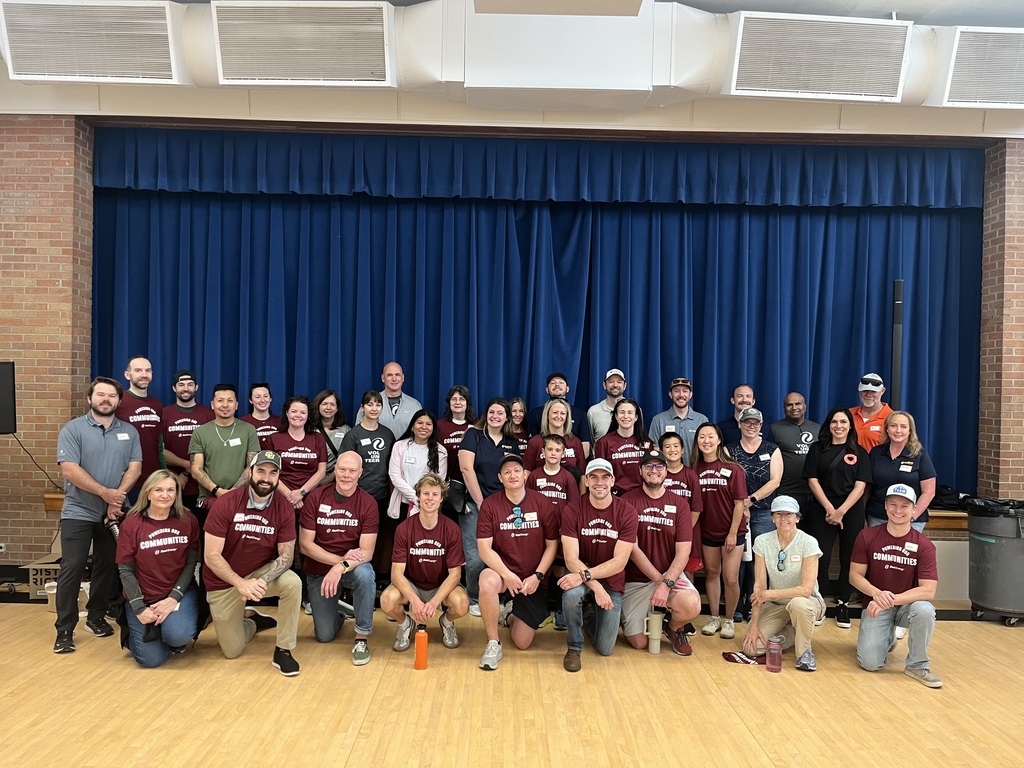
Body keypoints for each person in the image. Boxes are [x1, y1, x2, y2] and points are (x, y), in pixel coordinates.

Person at [53, 377, 142, 654]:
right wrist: (106, 493)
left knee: (108, 566)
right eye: (101, 395)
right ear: (89, 399)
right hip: (78, 513)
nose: (106, 399)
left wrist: (117, 498)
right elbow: (69, 470)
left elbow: (135, 467)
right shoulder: (73, 429)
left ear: (118, 400)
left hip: (114, 514)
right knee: (73, 567)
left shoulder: (129, 431)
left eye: (112, 396)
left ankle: (96, 617)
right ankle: (65, 630)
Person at [203, 450, 302, 676]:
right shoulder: (227, 502)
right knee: (232, 650)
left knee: (292, 583)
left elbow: (286, 556)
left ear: (279, 477)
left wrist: (258, 583)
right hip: (224, 581)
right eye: (261, 471)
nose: (266, 478)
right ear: (250, 472)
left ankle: (284, 649)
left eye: (272, 473)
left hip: (258, 573)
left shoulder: (284, 507)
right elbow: (211, 555)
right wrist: (240, 584)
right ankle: (253, 622)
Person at [850, 484, 942, 688]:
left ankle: (917, 665)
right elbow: (854, 576)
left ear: (914, 509)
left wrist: (890, 600)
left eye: (904, 506)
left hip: (906, 605)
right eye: (893, 504)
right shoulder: (867, 536)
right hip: (876, 603)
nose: (898, 511)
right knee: (870, 663)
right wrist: (876, 594)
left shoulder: (924, 546)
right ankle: (887, 637)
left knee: (925, 609)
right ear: (885, 506)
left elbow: (929, 590)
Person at [476, 454, 559, 670]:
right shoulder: (490, 505)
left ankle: (510, 614)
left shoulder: (542, 503)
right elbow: (484, 549)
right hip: (503, 574)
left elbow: (552, 545)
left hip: (533, 578)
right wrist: (506, 574)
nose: (512, 475)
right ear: (500, 477)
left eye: (516, 471)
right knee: (486, 582)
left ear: (525, 475)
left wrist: (538, 575)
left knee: (523, 643)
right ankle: (493, 642)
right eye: (506, 472)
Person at [557, 458, 638, 672]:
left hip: (610, 577)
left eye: (604, 477)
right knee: (572, 594)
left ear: (612, 481)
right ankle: (574, 646)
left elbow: (620, 562)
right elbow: (571, 559)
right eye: (593, 477)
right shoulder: (572, 510)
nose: (599, 482)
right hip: (579, 571)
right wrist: (596, 585)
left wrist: (591, 579)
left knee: (605, 648)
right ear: (586, 480)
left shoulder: (627, 512)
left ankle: (589, 614)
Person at [300, 451, 378, 665]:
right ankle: (339, 612)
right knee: (324, 636)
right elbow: (306, 545)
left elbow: (367, 552)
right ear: (335, 470)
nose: (346, 475)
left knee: (365, 573)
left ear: (360, 473)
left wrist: (340, 567)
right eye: (342, 469)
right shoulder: (316, 498)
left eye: (352, 471)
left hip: (351, 568)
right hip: (319, 570)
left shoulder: (368, 503)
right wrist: (337, 562)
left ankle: (361, 636)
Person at [116, 469, 200, 667]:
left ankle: (170, 632)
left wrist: (174, 597)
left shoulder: (188, 520)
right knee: (151, 660)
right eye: (159, 490)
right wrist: (139, 607)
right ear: (148, 493)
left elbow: (190, 563)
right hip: (143, 596)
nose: (165, 495)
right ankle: (138, 633)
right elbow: (125, 570)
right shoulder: (132, 524)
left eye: (171, 490)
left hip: (176, 593)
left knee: (178, 637)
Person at [622, 449, 701, 656]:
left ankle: (672, 627)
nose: (653, 470)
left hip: (669, 576)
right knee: (639, 643)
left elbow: (683, 552)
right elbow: (632, 548)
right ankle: (642, 614)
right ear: (640, 470)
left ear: (666, 472)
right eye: (648, 466)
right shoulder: (627, 501)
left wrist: (667, 583)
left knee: (691, 604)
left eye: (659, 466)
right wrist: (660, 582)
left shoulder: (680, 504)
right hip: (636, 580)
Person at [381, 473, 469, 653]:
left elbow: (455, 574)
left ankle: (446, 622)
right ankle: (405, 624)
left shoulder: (451, 529)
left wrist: (433, 602)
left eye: (435, 494)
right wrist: (415, 600)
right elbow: (396, 574)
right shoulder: (404, 529)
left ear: (441, 498)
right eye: (426, 494)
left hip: (440, 587)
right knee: (387, 600)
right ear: (418, 497)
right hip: (412, 585)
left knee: (461, 604)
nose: (430, 498)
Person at [802, 406, 871, 629]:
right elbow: (812, 480)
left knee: (849, 559)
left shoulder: (860, 452)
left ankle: (842, 603)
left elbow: (861, 486)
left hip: (851, 510)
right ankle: (819, 603)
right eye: (834, 422)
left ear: (850, 425)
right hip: (823, 507)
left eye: (843, 422)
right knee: (820, 557)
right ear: (828, 425)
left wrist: (841, 511)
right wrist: (830, 508)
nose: (838, 426)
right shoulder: (817, 449)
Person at [741, 496, 825, 672]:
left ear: (797, 518)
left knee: (798, 604)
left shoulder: (808, 542)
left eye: (788, 514)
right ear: (772, 518)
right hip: (776, 604)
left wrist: (768, 594)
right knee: (751, 647)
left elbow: (805, 590)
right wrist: (754, 624)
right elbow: (759, 587)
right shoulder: (762, 541)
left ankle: (804, 652)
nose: (783, 518)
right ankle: (792, 632)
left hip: (807, 602)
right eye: (778, 514)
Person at [459, 397, 520, 615]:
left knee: (502, 553)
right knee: (475, 556)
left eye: (500, 413)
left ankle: (499, 595)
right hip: (475, 505)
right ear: (486, 414)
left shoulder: (511, 442)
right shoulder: (473, 435)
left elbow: (514, 475)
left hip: (503, 507)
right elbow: (466, 469)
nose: (496, 416)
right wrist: (481, 502)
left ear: (507, 417)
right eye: (492, 412)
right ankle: (475, 598)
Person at [692, 422, 747, 640]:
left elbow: (739, 504)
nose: (706, 441)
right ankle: (714, 616)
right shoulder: (694, 468)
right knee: (712, 574)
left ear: (718, 440)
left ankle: (729, 619)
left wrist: (732, 533)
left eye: (710, 437)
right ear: (697, 441)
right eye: (702, 437)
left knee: (731, 579)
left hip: (732, 532)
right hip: (707, 532)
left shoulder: (733, 469)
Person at [341, 390, 397, 583]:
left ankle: (373, 579)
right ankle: (350, 579)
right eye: (370, 404)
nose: (374, 408)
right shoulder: (353, 435)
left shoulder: (387, 434)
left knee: (377, 540)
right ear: (362, 408)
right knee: (353, 539)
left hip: (381, 497)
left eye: (378, 405)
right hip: (357, 497)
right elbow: (345, 467)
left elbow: (392, 468)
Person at [659, 431, 703, 636]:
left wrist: (684, 532)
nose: (672, 450)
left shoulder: (690, 475)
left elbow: (696, 508)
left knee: (687, 570)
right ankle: (662, 611)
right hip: (660, 532)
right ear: (661, 450)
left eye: (676, 446)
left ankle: (684, 616)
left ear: (683, 449)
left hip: (685, 534)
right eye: (667, 446)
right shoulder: (657, 473)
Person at [188, 384, 261, 508]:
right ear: (212, 404)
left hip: (241, 499)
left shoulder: (249, 430)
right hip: (209, 500)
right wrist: (217, 491)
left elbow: (252, 466)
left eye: (230, 400)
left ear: (236, 405)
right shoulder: (200, 432)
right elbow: (196, 470)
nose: (225, 405)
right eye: (220, 400)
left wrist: (232, 492)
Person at [866, 411, 936, 532]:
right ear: (887, 429)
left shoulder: (919, 455)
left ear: (910, 431)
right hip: (877, 517)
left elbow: (929, 492)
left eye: (903, 426)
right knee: (879, 551)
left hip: (911, 521)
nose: (898, 430)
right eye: (893, 426)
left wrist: (912, 518)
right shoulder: (876, 453)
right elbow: (866, 487)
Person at [161, 370, 214, 513]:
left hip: (203, 488)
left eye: (190, 384)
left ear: (196, 387)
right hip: (171, 487)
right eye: (181, 384)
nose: (186, 388)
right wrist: (188, 466)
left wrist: (185, 473)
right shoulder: (164, 414)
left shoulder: (209, 415)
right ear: (174, 388)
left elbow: (213, 451)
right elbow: (160, 451)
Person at [729, 408, 783, 542]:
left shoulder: (772, 450)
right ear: (739, 424)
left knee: (763, 557)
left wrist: (750, 500)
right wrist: (741, 506)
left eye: (756, 423)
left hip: (764, 512)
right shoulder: (728, 450)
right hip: (736, 511)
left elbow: (775, 481)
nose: (752, 427)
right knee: (738, 557)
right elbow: (728, 483)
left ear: (761, 425)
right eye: (747, 422)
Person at [269, 396, 328, 509]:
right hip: (281, 495)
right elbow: (270, 472)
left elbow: (322, 472)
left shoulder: (318, 438)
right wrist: (289, 495)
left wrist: (301, 492)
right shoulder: (274, 438)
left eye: (303, 412)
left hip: (310, 496)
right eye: (294, 411)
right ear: (287, 413)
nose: (298, 415)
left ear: (308, 415)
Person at [116, 356, 163, 498]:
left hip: (153, 480)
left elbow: (160, 446)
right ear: (127, 375)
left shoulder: (157, 404)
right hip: (125, 481)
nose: (144, 375)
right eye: (138, 370)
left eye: (148, 371)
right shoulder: (118, 401)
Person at [388, 409, 446, 521]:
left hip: (428, 505)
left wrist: (423, 499)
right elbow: (395, 476)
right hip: (402, 505)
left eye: (428, 424)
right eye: (420, 423)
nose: (424, 427)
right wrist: (416, 497)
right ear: (412, 426)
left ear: (433, 428)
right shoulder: (399, 446)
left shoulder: (441, 452)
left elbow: (439, 481)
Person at [770, 392, 820, 521]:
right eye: (789, 405)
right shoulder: (774, 429)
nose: (794, 408)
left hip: (816, 494)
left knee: (812, 537)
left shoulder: (818, 429)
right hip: (787, 493)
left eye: (797, 404)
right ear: (784, 408)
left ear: (805, 406)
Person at [593, 398, 652, 495]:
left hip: (641, 495)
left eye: (630, 412)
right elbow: (601, 474)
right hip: (614, 495)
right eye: (621, 412)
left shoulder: (646, 443)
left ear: (636, 417)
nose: (626, 416)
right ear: (616, 416)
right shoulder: (604, 442)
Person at [356, 362, 423, 439]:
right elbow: (358, 432)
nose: (394, 379)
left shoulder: (414, 405)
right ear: (383, 378)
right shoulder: (369, 404)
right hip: (375, 450)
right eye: (389, 375)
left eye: (397, 375)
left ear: (403, 378)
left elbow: (420, 435)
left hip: (405, 450)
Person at [527, 372, 592, 451]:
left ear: (567, 389)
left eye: (561, 382)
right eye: (553, 383)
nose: (557, 385)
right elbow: (533, 446)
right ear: (547, 389)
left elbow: (585, 450)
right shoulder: (536, 413)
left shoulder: (580, 414)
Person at [523, 398, 587, 475]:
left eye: (562, 413)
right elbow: (527, 472)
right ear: (547, 415)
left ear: (567, 417)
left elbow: (582, 475)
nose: (558, 416)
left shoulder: (575, 442)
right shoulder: (535, 442)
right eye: (555, 412)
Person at [648, 377, 709, 456]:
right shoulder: (658, 420)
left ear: (690, 394)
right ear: (670, 394)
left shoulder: (702, 420)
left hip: (696, 468)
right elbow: (655, 452)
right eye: (676, 391)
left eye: (685, 391)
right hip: (667, 468)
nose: (681, 395)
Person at [437, 384, 476, 486]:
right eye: (454, 399)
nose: (457, 402)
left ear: (467, 403)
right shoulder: (440, 425)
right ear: (449, 403)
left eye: (462, 399)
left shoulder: (478, 425)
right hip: (448, 483)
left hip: (473, 481)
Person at [310, 389, 350, 485]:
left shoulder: (346, 430)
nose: (328, 407)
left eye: (332, 404)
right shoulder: (309, 430)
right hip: (310, 480)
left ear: (337, 408)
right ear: (318, 406)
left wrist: (327, 480)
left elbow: (347, 459)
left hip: (337, 480)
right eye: (324, 404)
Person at [850, 372, 893, 452]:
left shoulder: (892, 418)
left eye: (873, 391)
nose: (868, 394)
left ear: (883, 391)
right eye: (865, 390)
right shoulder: (848, 414)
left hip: (877, 464)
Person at [587, 368, 627, 443]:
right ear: (604, 385)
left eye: (619, 382)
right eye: (611, 381)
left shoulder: (635, 410)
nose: (615, 385)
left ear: (624, 386)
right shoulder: (593, 411)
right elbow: (590, 442)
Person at [241, 382, 277, 450]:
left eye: (265, 396)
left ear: (270, 399)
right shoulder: (242, 423)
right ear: (250, 400)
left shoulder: (280, 422)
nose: (262, 400)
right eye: (258, 397)